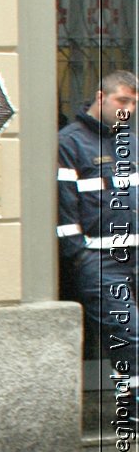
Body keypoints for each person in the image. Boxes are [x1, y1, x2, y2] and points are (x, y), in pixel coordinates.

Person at [58, 70, 138, 398]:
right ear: (101, 98)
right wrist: (80, 255)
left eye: (133, 102)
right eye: (123, 100)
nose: (129, 109)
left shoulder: (130, 141)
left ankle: (129, 400)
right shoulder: (70, 142)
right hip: (100, 258)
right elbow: (64, 209)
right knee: (128, 330)